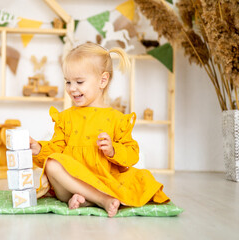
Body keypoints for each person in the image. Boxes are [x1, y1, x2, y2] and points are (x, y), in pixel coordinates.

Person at [30, 42, 169, 217]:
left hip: (104, 181)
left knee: (140, 180)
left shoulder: (117, 119)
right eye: (68, 82)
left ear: (102, 80)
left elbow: (132, 154)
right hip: (70, 184)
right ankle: (100, 199)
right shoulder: (65, 118)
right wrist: (39, 150)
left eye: (79, 82)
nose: (72, 88)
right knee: (51, 163)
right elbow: (56, 150)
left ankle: (87, 199)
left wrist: (112, 150)